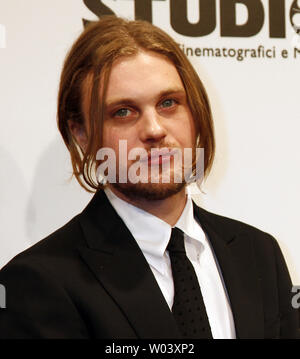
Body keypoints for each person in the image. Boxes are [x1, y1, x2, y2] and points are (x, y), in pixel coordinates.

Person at [0, 16, 298, 339]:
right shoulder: (36, 284)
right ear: (81, 134)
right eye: (123, 112)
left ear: (195, 113)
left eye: (168, 103)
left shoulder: (259, 255)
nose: (155, 130)